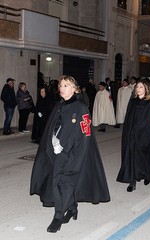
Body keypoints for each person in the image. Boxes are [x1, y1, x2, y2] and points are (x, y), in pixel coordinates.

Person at [30, 75, 110, 233]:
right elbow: (53, 127)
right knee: (57, 183)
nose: (61, 88)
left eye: (66, 85)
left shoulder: (81, 108)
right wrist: (53, 141)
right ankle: (72, 209)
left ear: (75, 89)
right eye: (60, 85)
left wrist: (78, 157)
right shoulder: (59, 105)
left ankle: (58, 217)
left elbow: (86, 134)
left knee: (64, 185)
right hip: (58, 154)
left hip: (74, 155)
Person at [117, 79, 150, 192]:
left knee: (142, 156)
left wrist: (144, 132)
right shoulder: (132, 101)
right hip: (132, 134)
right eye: (137, 87)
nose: (138, 88)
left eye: (141, 87)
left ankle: (146, 174)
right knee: (131, 156)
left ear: (145, 89)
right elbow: (128, 118)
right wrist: (128, 132)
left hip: (144, 134)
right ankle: (132, 181)